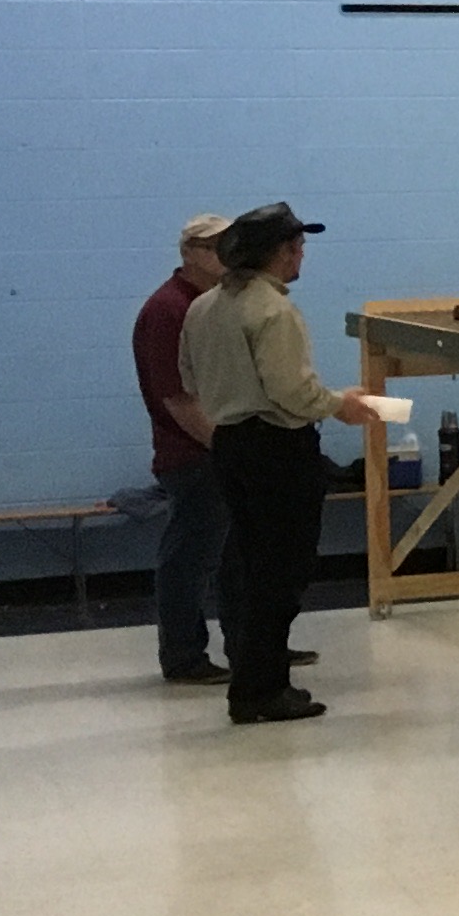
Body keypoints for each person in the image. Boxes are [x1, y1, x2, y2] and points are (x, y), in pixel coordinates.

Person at [181, 202, 379, 726]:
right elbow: (290, 390)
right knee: (282, 573)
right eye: (298, 246)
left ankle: (254, 683)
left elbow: (189, 376)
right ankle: (261, 690)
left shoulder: (202, 308)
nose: (302, 255)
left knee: (251, 567)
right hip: (277, 449)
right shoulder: (272, 311)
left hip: (230, 444)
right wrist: (340, 404)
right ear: (282, 252)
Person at [133, 213, 235, 685]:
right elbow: (176, 396)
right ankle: (182, 655)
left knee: (230, 557)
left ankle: (249, 643)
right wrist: (222, 446)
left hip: (215, 447)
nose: (224, 255)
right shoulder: (170, 309)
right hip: (193, 454)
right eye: (213, 247)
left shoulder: (212, 302)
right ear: (189, 253)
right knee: (189, 558)